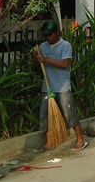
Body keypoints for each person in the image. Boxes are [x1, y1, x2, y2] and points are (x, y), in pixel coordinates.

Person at [32, 20, 88, 151]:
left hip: (62, 87)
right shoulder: (43, 46)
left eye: (50, 34)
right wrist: (36, 59)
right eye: (46, 35)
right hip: (47, 87)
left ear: (57, 33)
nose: (48, 37)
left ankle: (80, 138)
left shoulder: (65, 45)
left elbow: (65, 64)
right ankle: (50, 142)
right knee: (45, 115)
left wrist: (45, 59)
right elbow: (39, 67)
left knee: (69, 113)